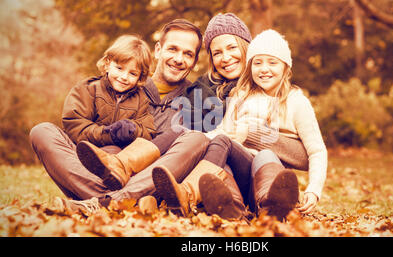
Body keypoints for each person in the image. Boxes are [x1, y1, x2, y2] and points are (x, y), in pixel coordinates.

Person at [29, 20, 209, 215]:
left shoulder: (196, 100)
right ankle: (111, 201)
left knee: (196, 139)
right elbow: (78, 130)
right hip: (97, 171)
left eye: (188, 54)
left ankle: (104, 201)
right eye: (173, 49)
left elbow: (180, 160)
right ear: (158, 50)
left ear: (195, 60)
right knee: (42, 131)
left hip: (145, 182)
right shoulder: (123, 83)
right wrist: (106, 135)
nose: (179, 59)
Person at [152, 29, 327, 221]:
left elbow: (317, 150)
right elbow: (223, 132)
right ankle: (231, 207)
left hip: (268, 175)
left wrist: (314, 189)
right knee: (222, 148)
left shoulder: (296, 102)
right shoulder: (241, 95)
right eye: (257, 63)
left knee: (265, 154)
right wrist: (195, 138)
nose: (264, 69)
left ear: (286, 67)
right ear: (249, 66)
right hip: (242, 172)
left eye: (272, 62)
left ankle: (271, 205)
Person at [181, 13, 252, 132]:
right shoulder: (198, 91)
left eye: (232, 47)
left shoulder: (266, 85)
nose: (226, 58)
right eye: (217, 53)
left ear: (246, 47)